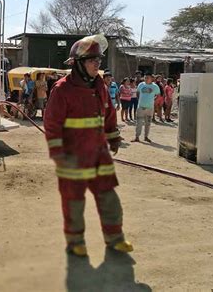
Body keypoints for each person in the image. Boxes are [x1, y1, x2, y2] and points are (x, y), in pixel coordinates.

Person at [44, 34, 133, 258]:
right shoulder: (62, 89)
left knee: (109, 198)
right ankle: (75, 243)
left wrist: (113, 137)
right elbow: (52, 124)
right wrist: (57, 152)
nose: (97, 64)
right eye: (93, 61)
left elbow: (109, 113)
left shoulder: (100, 86)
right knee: (74, 201)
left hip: (98, 154)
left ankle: (115, 239)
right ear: (79, 64)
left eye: (99, 61)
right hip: (72, 155)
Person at [132, 73, 160, 143]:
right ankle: (137, 137)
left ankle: (146, 137)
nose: (146, 79)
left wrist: (153, 100)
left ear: (152, 78)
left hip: (150, 108)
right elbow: (138, 93)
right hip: (140, 107)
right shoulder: (141, 84)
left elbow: (158, 95)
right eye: (145, 77)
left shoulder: (155, 86)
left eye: (148, 77)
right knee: (139, 123)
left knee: (148, 123)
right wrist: (139, 100)